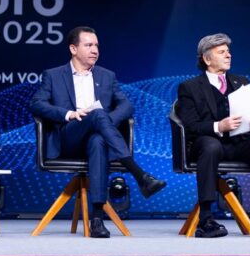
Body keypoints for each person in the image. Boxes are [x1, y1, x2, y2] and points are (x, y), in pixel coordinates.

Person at [30, 26, 166, 238]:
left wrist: (103, 122)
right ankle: (139, 175)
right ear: (73, 49)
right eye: (88, 45)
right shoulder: (54, 75)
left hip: (98, 137)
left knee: (98, 140)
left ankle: (96, 219)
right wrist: (69, 114)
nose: (95, 50)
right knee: (97, 115)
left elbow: (126, 106)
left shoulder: (107, 76)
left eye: (96, 45)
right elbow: (37, 103)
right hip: (69, 138)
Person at [175, 33, 250, 238]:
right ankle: (206, 219)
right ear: (207, 59)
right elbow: (190, 126)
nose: (228, 55)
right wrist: (219, 126)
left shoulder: (240, 82)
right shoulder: (189, 87)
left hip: (240, 143)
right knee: (211, 146)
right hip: (208, 145)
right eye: (222, 52)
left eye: (228, 51)